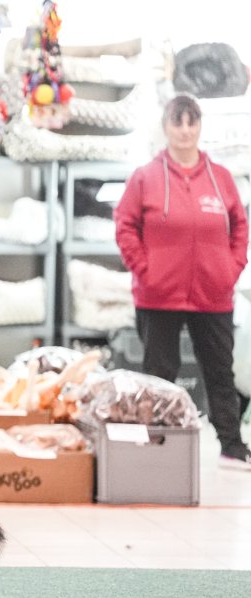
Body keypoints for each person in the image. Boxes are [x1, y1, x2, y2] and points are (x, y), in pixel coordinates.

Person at [115, 94, 250, 470]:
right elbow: (125, 226)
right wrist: (146, 272)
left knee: (219, 372)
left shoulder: (220, 178)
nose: (186, 130)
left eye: (192, 122)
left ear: (200, 126)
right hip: (158, 295)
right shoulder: (146, 177)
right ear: (166, 127)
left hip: (213, 294)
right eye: (178, 122)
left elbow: (240, 227)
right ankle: (153, 446)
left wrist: (230, 270)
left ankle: (231, 447)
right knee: (159, 375)